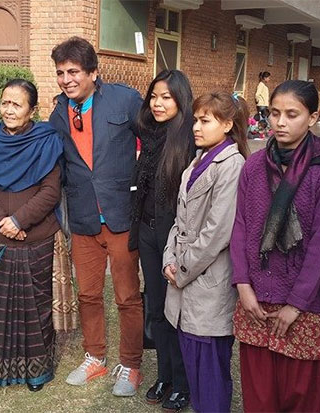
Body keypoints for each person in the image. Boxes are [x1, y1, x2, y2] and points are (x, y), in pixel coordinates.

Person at [231, 80, 320, 412]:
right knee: (259, 398)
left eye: (292, 114)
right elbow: (240, 227)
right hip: (256, 300)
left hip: (306, 306)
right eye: (274, 113)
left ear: (312, 118)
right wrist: (243, 285)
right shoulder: (254, 166)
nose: (280, 122)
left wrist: (296, 304)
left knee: (301, 399)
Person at [48, 36, 145, 396]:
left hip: (121, 215)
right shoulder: (58, 113)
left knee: (127, 296)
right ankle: (95, 357)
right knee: (88, 294)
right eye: (61, 73)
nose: (66, 79)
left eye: (73, 71)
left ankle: (131, 365)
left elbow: (152, 143)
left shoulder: (125, 100)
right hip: (84, 218)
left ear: (92, 72)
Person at [0, 79, 63, 391]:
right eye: (5, 103)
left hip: (36, 238)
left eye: (17, 104)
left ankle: (36, 372)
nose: (9, 110)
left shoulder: (46, 141)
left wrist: (20, 220)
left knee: (35, 307)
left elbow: (51, 191)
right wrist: (1, 222)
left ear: (31, 110)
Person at [162, 91, 249, 412]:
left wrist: (182, 271)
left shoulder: (232, 165)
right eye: (196, 120)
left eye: (205, 121)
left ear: (227, 125)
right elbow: (179, 220)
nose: (196, 127)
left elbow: (217, 233)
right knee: (194, 370)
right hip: (185, 280)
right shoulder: (197, 160)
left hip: (209, 283)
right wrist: (169, 259)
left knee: (210, 371)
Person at [127, 69, 194, 409]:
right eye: (154, 96)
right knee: (156, 308)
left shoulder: (191, 138)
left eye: (166, 97)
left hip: (177, 237)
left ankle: (183, 381)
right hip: (148, 231)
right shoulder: (148, 134)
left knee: (177, 311)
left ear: (181, 99)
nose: (158, 103)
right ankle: (165, 375)